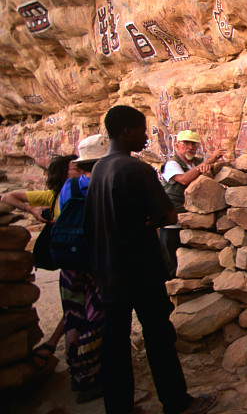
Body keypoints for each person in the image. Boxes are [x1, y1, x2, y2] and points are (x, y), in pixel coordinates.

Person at [84, 105, 216, 414]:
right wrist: (146, 220)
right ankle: (176, 402)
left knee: (114, 343)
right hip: (140, 270)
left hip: (109, 270)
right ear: (128, 131)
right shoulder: (136, 169)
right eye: (143, 130)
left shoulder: (100, 169)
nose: (146, 136)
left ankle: (119, 407)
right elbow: (166, 213)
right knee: (158, 335)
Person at [1, 155, 77, 370]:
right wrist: (32, 210)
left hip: (78, 257)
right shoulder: (54, 196)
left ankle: (55, 344)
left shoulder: (80, 193)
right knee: (74, 305)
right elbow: (9, 198)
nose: (80, 169)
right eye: (74, 168)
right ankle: (60, 346)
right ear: (64, 174)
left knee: (75, 305)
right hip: (71, 259)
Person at [55, 134, 107, 403]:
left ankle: (75, 372)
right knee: (95, 316)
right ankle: (91, 376)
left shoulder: (70, 186)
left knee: (73, 314)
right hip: (95, 261)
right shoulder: (104, 186)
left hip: (69, 260)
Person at [159, 130, 225, 277]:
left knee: (192, 266)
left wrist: (208, 169)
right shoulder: (172, 164)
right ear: (177, 146)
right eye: (186, 143)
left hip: (193, 222)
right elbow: (184, 179)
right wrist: (209, 161)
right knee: (173, 268)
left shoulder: (197, 162)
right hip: (173, 224)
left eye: (194, 144)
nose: (190, 147)